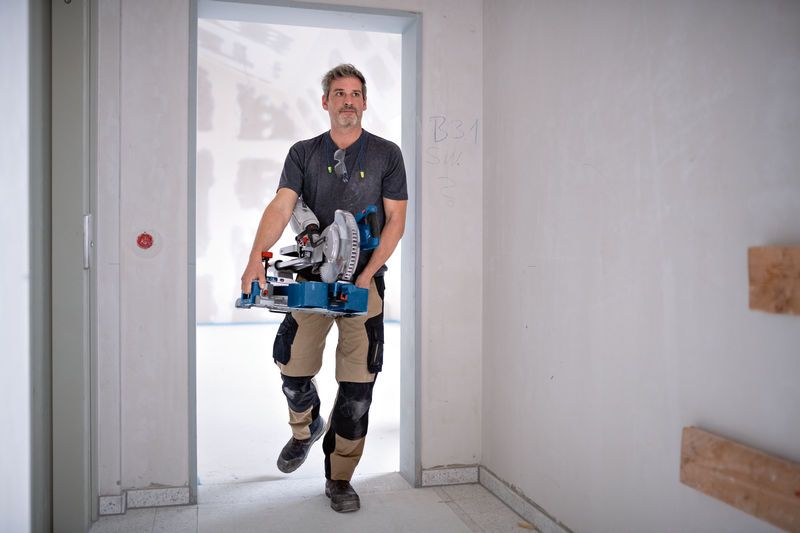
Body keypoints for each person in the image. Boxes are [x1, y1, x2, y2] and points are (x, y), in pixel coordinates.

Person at [240, 64, 407, 513]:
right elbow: (282, 205)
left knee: (358, 388)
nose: (347, 101)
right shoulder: (304, 153)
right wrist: (256, 255)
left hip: (365, 279)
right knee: (293, 368)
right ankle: (305, 428)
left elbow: (396, 221)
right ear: (326, 102)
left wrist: (368, 272)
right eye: (338, 93)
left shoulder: (387, 154)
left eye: (355, 93)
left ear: (365, 102)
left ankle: (339, 479)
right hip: (312, 281)